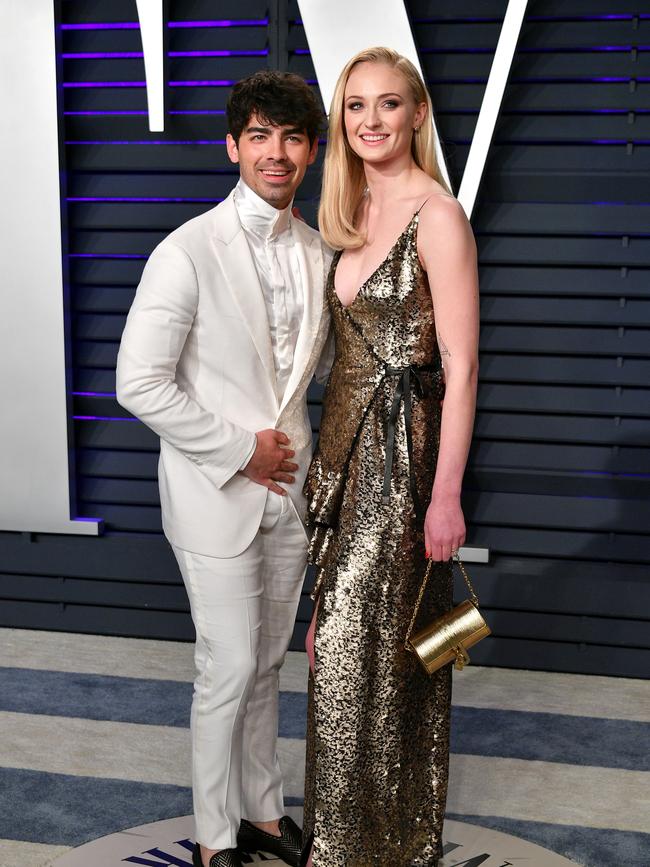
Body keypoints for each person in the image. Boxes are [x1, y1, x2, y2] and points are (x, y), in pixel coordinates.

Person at [116, 71, 332, 867]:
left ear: (310, 151)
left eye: (293, 137)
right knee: (229, 662)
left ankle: (265, 813)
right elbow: (137, 382)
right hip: (215, 490)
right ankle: (214, 834)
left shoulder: (316, 251)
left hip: (292, 494)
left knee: (270, 661)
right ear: (234, 145)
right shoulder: (187, 248)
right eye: (261, 136)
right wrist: (241, 448)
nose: (276, 153)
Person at [301, 47, 479, 866]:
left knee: (369, 657)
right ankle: (383, 840)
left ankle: (358, 850)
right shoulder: (353, 209)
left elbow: (463, 363)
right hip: (346, 463)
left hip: (404, 471)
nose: (371, 121)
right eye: (356, 106)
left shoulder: (436, 215)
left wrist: (446, 496)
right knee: (353, 656)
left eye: (388, 105)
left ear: (417, 115)